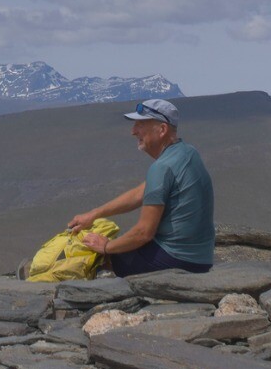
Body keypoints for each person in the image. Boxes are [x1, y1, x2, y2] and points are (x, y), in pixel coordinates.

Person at [65, 99, 215, 277]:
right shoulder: (187, 152)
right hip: (202, 258)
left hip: (176, 261)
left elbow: (144, 233)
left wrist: (106, 247)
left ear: (162, 130)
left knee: (94, 253)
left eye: (141, 124)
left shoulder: (162, 167)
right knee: (117, 244)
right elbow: (141, 193)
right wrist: (94, 214)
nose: (133, 131)